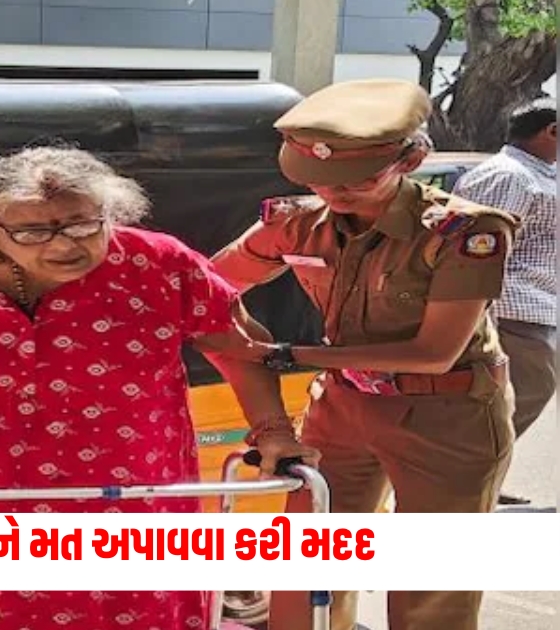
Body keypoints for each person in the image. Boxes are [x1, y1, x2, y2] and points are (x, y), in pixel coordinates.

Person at [0, 146, 320, 630]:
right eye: (31, 232)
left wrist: (274, 430)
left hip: (135, 503)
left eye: (82, 225)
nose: (62, 245)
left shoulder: (159, 263)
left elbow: (237, 345)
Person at [210, 79, 518, 630]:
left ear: (413, 158)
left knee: (430, 584)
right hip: (343, 407)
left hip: (445, 416)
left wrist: (286, 353)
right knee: (310, 564)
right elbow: (208, 284)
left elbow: (434, 352)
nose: (336, 192)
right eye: (319, 179)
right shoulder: (297, 222)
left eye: (358, 178)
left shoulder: (462, 233)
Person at [452, 97, 556, 505]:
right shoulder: (508, 175)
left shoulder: (535, 172)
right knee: (525, 391)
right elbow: (477, 248)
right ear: (551, 131)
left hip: (536, 303)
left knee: (512, 399)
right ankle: (465, 481)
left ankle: (481, 479)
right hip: (511, 306)